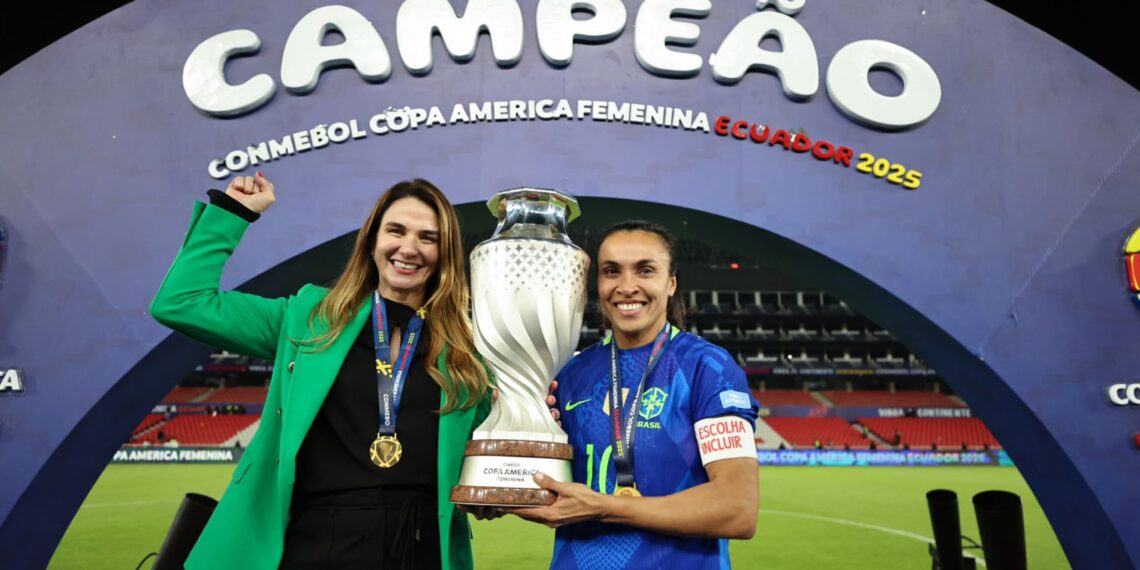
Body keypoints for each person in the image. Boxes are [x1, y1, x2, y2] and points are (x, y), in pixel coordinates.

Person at [150, 173, 493, 569]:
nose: (409, 248)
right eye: (395, 230)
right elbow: (180, 302)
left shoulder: (466, 355)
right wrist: (233, 213)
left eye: (428, 238)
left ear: (445, 253)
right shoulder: (306, 320)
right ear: (371, 241)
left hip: (422, 547)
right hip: (318, 543)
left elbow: (476, 457)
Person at [510, 220, 760, 569]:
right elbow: (547, 491)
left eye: (645, 270)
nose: (627, 287)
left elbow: (738, 509)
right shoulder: (570, 374)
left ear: (671, 283)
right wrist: (501, 474)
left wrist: (606, 506)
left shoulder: (708, 368)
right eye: (612, 271)